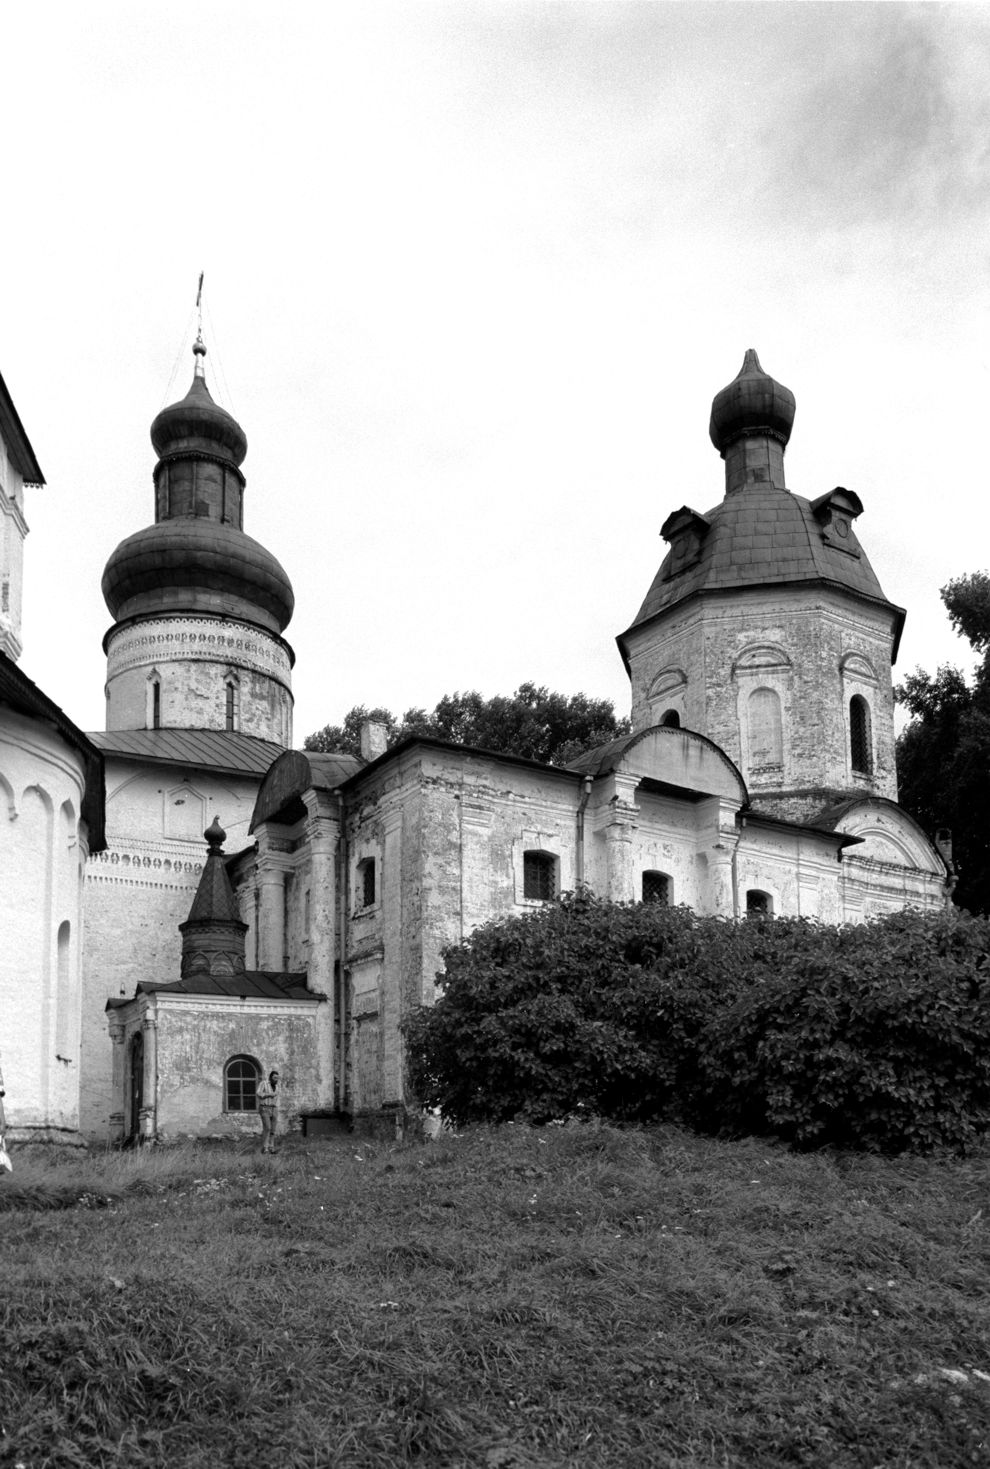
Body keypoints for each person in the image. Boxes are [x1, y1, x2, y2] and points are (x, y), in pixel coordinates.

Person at [257, 1068, 280, 1154]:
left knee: (273, 1130)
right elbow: (258, 1093)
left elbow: (277, 1097)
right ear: (270, 1078)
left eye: (277, 1078)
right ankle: (265, 1148)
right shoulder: (264, 1083)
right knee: (267, 1128)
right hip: (264, 1108)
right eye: (274, 1078)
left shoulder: (277, 1086)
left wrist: (276, 1107)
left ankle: (271, 1147)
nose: (276, 1080)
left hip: (274, 1108)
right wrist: (269, 1094)